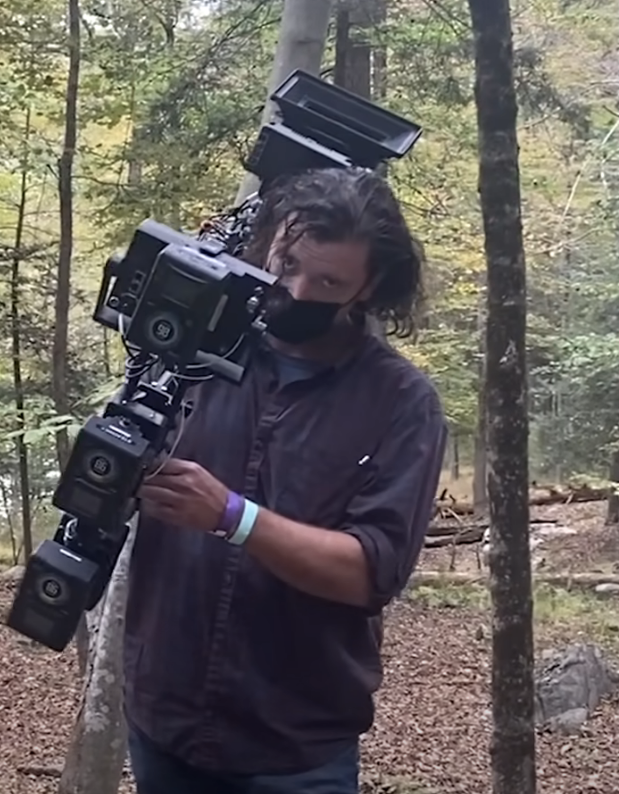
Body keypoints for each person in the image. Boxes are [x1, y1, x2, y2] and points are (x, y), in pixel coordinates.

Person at [124, 167, 449, 794]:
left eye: (328, 281)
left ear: (368, 287)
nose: (297, 289)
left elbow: (371, 571)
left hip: (294, 748)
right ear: (268, 240)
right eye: (288, 262)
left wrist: (231, 514)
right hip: (163, 722)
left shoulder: (400, 402)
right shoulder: (200, 357)